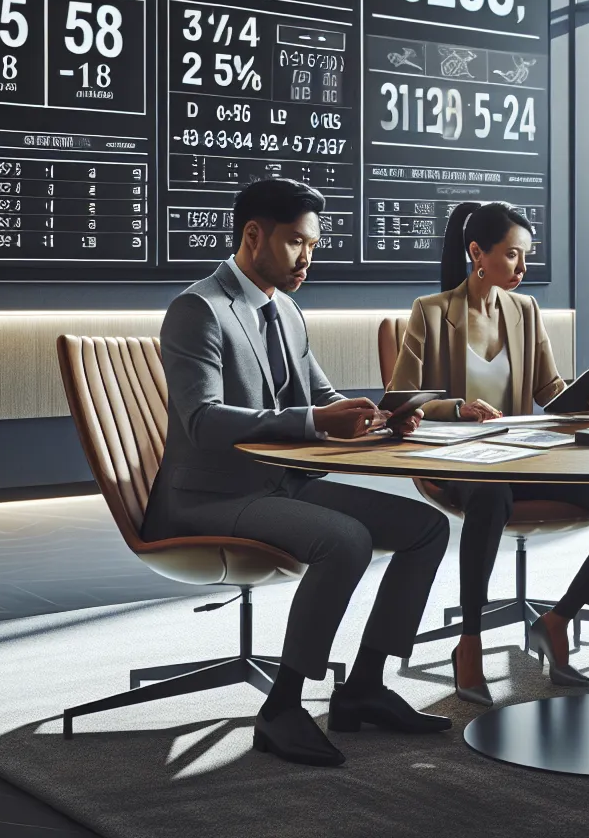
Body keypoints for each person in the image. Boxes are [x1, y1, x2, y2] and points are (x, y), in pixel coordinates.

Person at [143, 178, 452, 767]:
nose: (307, 257)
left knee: (426, 529)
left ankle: (363, 686)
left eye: (313, 244)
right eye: (295, 243)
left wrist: (380, 419)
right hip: (207, 495)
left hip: (279, 484)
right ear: (253, 235)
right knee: (344, 538)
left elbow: (322, 396)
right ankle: (282, 709)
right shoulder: (197, 309)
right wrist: (314, 421)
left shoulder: (286, 309)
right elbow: (204, 420)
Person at [387, 201, 589, 707]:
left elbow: (550, 389)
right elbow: (402, 397)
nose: (523, 269)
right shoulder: (431, 311)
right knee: (489, 497)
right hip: (461, 462)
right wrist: (458, 407)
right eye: (513, 256)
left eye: (526, 257)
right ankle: (470, 643)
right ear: (477, 254)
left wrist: (587, 399)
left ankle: (558, 619)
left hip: (524, 456)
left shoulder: (525, 310)